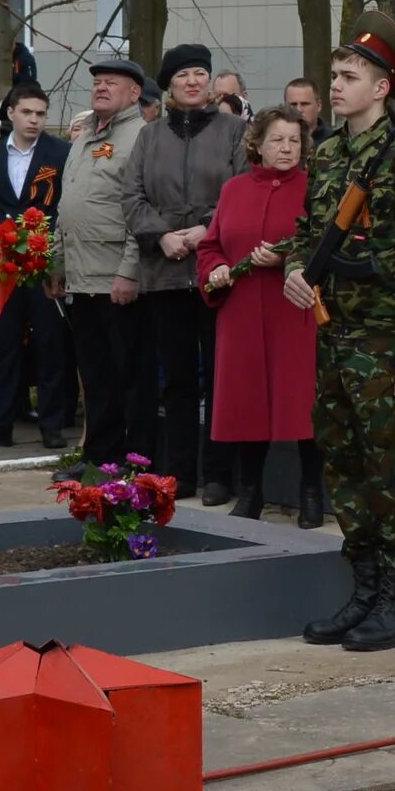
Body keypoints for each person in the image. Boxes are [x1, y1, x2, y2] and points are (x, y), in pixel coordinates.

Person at [284, 13, 395, 651]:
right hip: (334, 337)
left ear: (381, 89)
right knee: (344, 464)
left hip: (381, 345)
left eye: (350, 77)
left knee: (389, 472)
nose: (337, 85)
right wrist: (295, 270)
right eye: (335, 75)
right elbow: (305, 233)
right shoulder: (328, 156)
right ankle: (363, 591)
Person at [125, 44, 247, 500]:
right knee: (176, 379)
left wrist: (203, 232)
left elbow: (241, 191)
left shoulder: (235, 131)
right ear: (170, 86)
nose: (193, 82)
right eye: (183, 76)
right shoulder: (149, 137)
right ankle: (180, 473)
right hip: (164, 273)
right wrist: (161, 236)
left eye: (200, 73)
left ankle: (218, 474)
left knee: (219, 376)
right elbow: (132, 197)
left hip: (217, 274)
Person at [199, 107, 324, 526]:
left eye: (294, 140)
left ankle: (311, 494)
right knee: (247, 403)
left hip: (295, 311)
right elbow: (211, 245)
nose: (287, 148)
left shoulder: (314, 189)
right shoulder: (234, 190)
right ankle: (251, 492)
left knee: (302, 402)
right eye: (277, 140)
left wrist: (288, 256)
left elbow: (325, 247)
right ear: (258, 144)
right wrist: (215, 269)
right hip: (242, 314)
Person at [0, 84, 72, 449]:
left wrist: (56, 256)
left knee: (50, 344)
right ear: (11, 114)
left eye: (40, 114)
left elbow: (66, 207)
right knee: (3, 345)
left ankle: (52, 424)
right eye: (27, 113)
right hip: (3, 264)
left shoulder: (62, 153)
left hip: (44, 261)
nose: (34, 120)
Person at [57, 56, 153, 467]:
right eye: (97, 82)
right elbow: (67, 206)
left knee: (130, 376)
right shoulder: (83, 138)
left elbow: (140, 210)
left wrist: (128, 272)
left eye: (111, 82)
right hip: (81, 276)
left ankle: (138, 458)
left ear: (134, 93)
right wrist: (57, 265)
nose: (100, 87)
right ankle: (99, 456)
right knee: (95, 375)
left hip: (117, 277)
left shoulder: (142, 138)